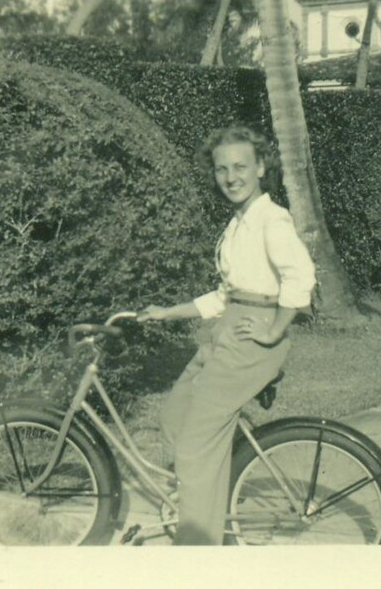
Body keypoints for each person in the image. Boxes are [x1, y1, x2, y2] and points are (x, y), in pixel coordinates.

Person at [137, 126, 316, 545]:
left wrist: (274, 331)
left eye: (240, 166)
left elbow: (301, 276)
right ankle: (210, 499)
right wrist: (167, 313)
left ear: (260, 167)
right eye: (222, 169)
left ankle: (198, 548)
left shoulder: (271, 220)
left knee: (196, 446)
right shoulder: (239, 224)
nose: (231, 177)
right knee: (176, 420)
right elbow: (223, 296)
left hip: (249, 341)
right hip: (228, 329)